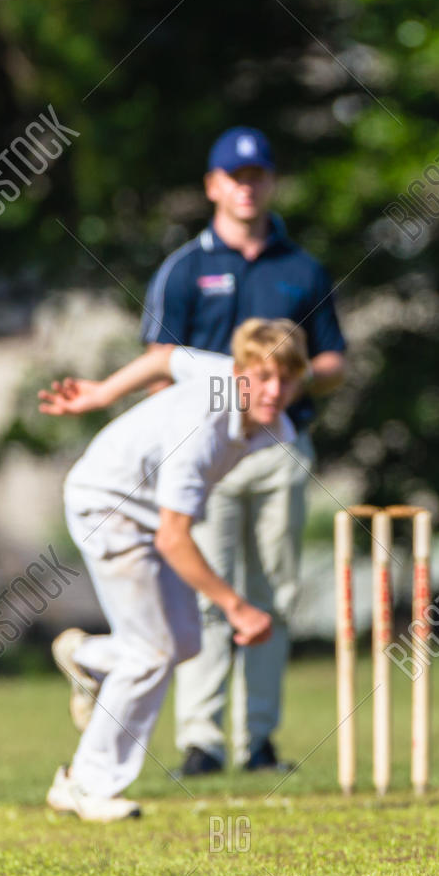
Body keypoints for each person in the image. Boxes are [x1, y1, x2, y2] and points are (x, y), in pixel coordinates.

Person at [140, 126, 347, 776]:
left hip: (280, 448)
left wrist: (286, 384)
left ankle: (258, 741)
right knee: (207, 591)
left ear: (271, 182)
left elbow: (334, 358)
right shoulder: (186, 269)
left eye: (257, 175)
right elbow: (158, 361)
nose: (246, 186)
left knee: (275, 593)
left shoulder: (301, 268)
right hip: (208, 452)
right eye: (235, 175)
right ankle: (201, 741)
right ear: (213, 186)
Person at [40, 319, 308, 820]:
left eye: (286, 379)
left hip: (142, 510)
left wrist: (103, 394)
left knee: (184, 641)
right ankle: (84, 783)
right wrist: (237, 607)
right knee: (151, 651)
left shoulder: (224, 377)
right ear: (241, 373)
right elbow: (174, 537)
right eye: (263, 377)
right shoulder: (204, 429)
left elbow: (164, 358)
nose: (273, 391)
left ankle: (89, 657)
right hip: (108, 507)